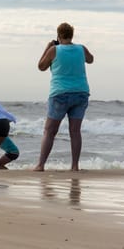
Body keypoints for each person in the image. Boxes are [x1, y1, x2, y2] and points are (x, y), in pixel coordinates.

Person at [34, 22, 94, 172]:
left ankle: (40, 165)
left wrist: (47, 47)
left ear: (59, 36)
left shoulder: (54, 50)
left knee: (49, 130)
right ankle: (74, 166)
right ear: (72, 35)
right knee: (75, 131)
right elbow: (91, 59)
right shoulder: (81, 48)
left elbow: (41, 66)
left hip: (60, 93)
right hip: (81, 92)